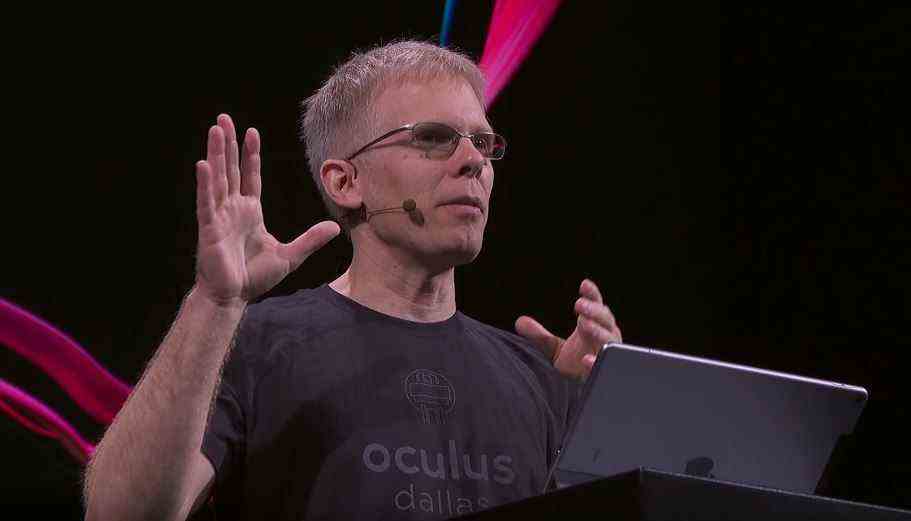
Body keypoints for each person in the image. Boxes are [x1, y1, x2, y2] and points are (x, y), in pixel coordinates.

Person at [82, 40, 622, 521]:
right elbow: (121, 513)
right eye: (435, 138)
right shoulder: (254, 344)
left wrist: (601, 417)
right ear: (346, 182)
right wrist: (215, 301)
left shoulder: (534, 376)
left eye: (484, 143)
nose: (473, 162)